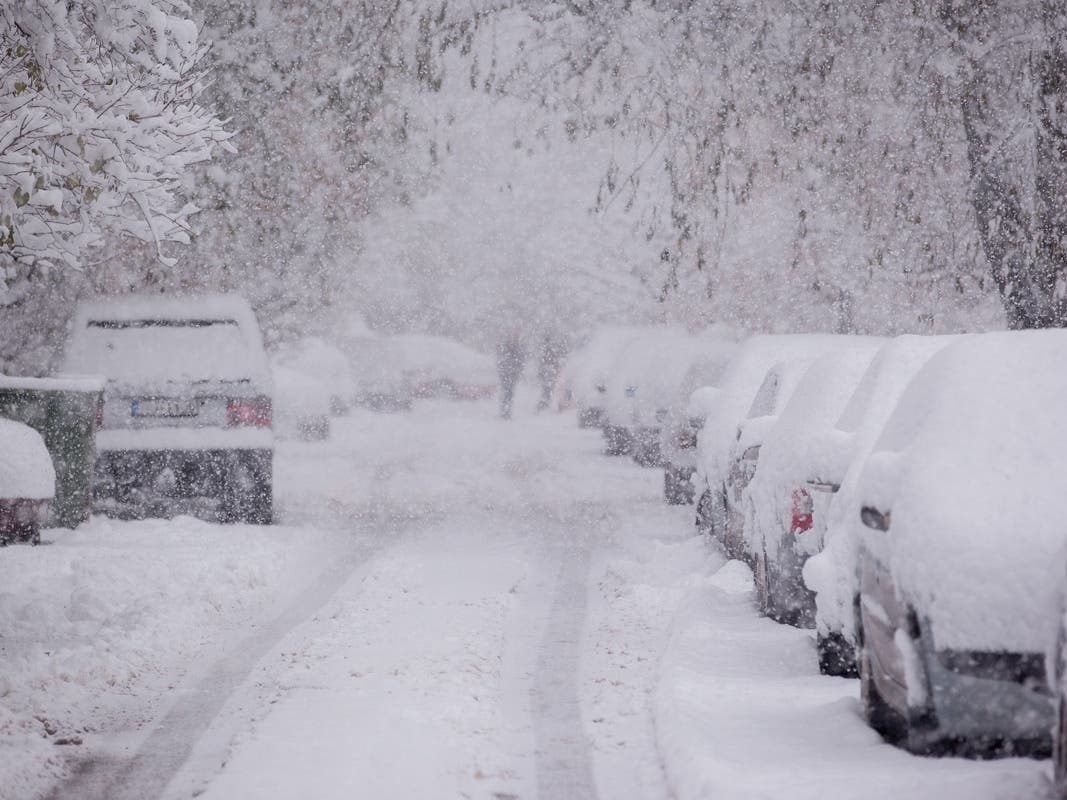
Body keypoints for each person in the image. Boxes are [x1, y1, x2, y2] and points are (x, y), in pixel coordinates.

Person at [496, 330, 527, 419]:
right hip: (507, 374)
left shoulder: (517, 347)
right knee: (507, 393)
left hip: (511, 374)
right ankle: (505, 411)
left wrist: (517, 370)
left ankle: (506, 411)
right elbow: (502, 360)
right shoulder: (508, 346)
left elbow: (520, 361)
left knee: (509, 393)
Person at [536, 330, 566, 412]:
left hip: (547, 373)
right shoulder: (549, 350)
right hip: (548, 373)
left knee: (547, 390)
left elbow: (542, 363)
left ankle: (543, 406)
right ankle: (542, 406)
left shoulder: (544, 350)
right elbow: (552, 361)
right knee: (548, 391)